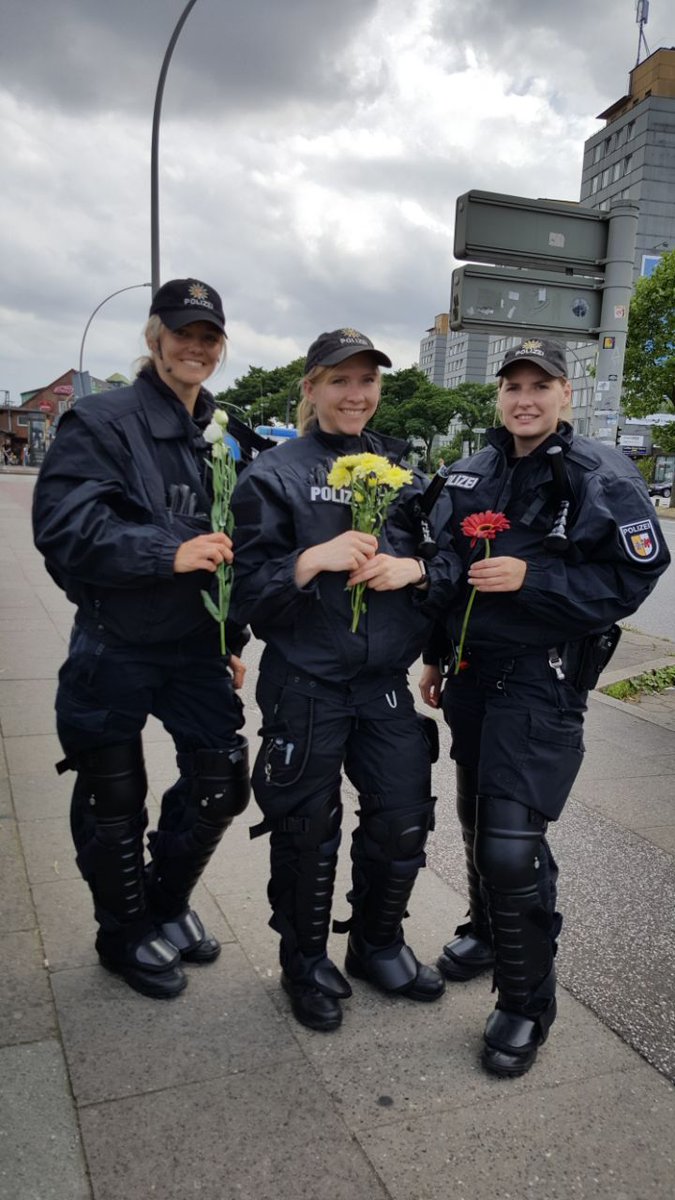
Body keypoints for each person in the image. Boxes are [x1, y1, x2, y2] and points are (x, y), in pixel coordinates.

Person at [419, 336, 671, 1077]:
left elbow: (632, 579)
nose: (524, 398)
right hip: (471, 672)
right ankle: (488, 932)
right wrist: (434, 652)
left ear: (566, 394)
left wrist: (534, 578)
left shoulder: (599, 474)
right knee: (475, 818)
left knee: (509, 844)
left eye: (540, 385)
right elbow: (448, 568)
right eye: (513, 386)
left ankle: (527, 1003)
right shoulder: (473, 468)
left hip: (542, 678)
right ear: (499, 395)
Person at [230, 328, 462, 1031]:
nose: (356, 393)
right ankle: (304, 963)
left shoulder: (402, 474)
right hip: (306, 683)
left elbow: (447, 561)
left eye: (367, 380)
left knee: (402, 818)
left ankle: (376, 945)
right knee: (306, 830)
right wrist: (309, 561)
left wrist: (414, 569)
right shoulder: (272, 476)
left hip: (383, 684)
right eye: (340, 380)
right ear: (311, 387)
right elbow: (244, 591)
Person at [32, 278, 251, 1000]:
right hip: (115, 643)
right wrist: (166, 553)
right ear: (155, 338)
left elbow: (232, 545)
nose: (196, 347)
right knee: (114, 798)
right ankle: (123, 930)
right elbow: (64, 527)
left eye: (209, 337)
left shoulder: (219, 433)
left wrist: (230, 633)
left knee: (223, 780)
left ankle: (164, 900)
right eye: (182, 333)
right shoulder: (101, 421)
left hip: (194, 646)